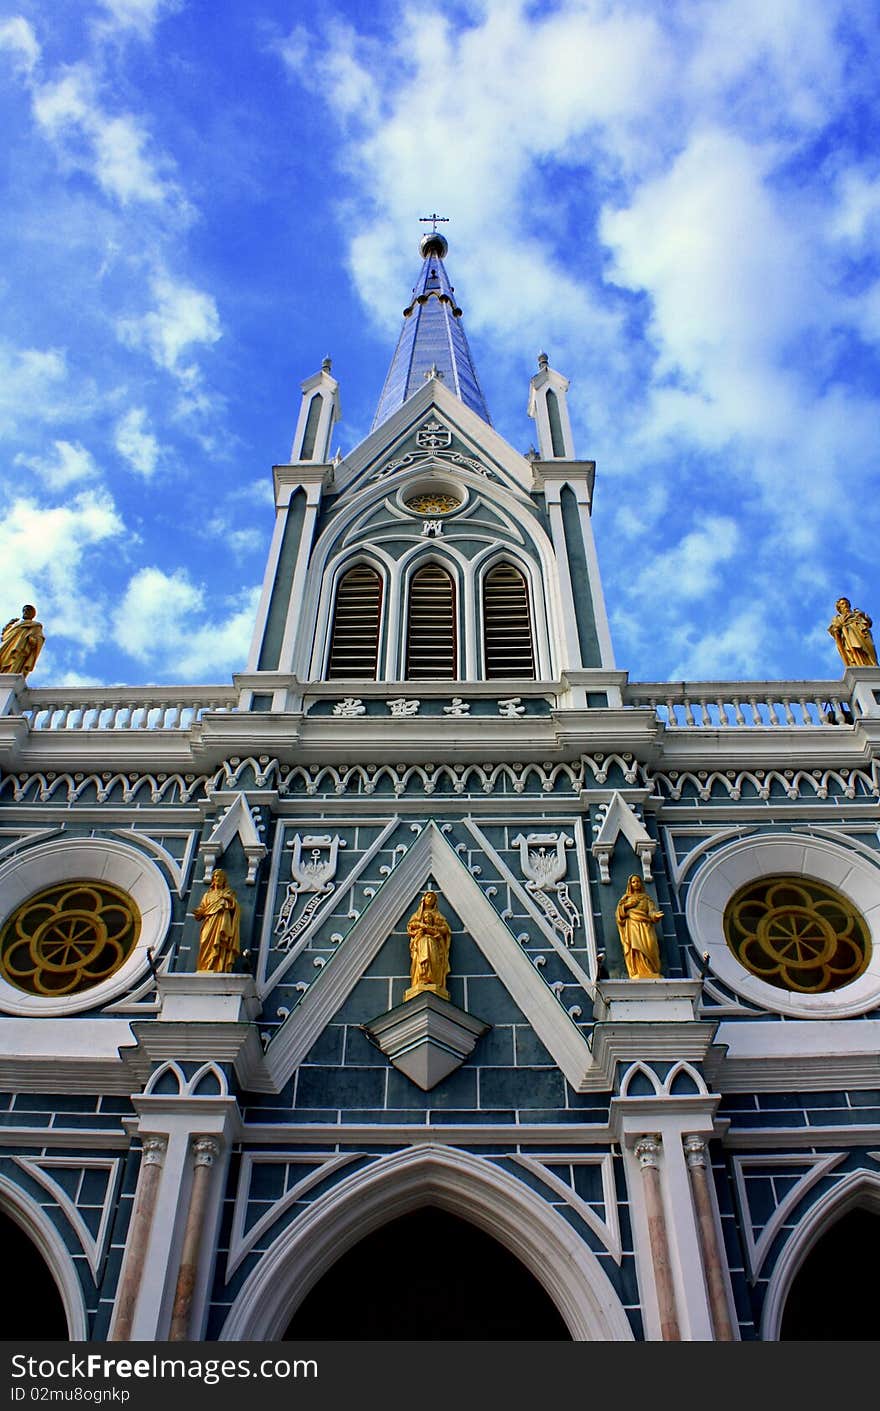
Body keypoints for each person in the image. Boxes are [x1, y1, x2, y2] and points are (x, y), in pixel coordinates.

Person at [405, 890, 451, 1000]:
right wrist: (420, 929)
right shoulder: (417, 915)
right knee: (421, 959)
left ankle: (433, 978)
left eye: (432, 898)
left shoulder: (438, 915)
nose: (430, 899)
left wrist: (434, 930)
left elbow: (445, 929)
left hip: (434, 942)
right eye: (428, 897)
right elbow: (411, 926)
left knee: (434, 960)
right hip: (421, 942)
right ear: (424, 899)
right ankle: (422, 978)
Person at [615, 875, 664, 979]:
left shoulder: (646, 898)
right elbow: (619, 915)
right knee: (636, 948)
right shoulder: (626, 898)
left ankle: (651, 970)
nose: (636, 884)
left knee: (650, 946)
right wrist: (628, 906)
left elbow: (651, 911)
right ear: (630, 884)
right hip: (633, 925)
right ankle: (638, 970)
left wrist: (655, 916)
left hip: (646, 925)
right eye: (633, 882)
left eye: (638, 881)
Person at [194, 869, 241, 973]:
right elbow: (202, 908)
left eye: (221, 877)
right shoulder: (207, 895)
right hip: (209, 921)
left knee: (220, 942)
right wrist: (198, 912)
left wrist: (229, 899)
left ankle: (217, 967)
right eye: (216, 876)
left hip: (222, 920)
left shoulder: (228, 893)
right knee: (205, 941)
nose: (218, 878)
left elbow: (235, 908)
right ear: (213, 879)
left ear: (224, 880)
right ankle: (205, 966)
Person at [828, 597, 877, 667]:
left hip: (863, 633)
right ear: (839, 608)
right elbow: (834, 629)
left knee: (870, 648)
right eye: (842, 604)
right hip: (848, 634)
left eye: (846, 603)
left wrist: (863, 615)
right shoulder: (838, 618)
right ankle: (859, 664)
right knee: (855, 649)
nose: (845, 605)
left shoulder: (857, 613)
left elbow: (869, 623)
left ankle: (872, 663)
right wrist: (836, 629)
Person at [0, 605, 45, 677]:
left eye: (28, 610)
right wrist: (8, 626)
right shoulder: (16, 625)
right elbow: (5, 637)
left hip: (20, 649)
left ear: (32, 614)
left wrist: (33, 641)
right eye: (24, 610)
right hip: (7, 647)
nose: (25, 612)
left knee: (13, 666)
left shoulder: (35, 625)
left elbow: (39, 638)